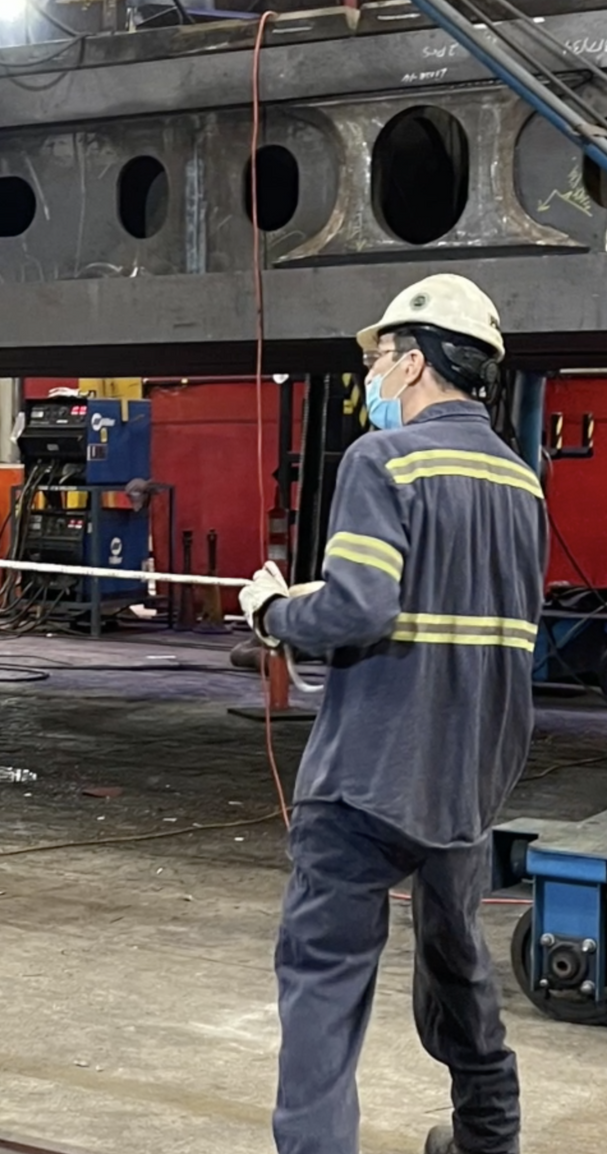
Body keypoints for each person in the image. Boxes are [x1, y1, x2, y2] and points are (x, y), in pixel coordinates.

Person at [239, 273, 547, 1154]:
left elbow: (361, 608)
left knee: (322, 982)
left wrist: (274, 612)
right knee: (456, 961)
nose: (371, 376)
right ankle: (487, 1136)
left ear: (412, 364)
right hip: (468, 776)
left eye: (378, 358)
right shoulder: (520, 482)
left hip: (369, 775)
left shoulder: (383, 460)